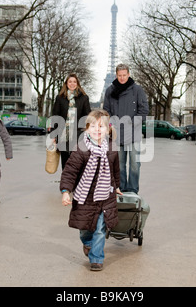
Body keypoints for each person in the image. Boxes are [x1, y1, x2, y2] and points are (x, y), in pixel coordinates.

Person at [60, 109, 122, 271]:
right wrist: (66, 191)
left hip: (105, 195)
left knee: (101, 229)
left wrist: (116, 187)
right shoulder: (81, 148)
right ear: (87, 128)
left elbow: (115, 169)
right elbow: (70, 170)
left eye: (101, 126)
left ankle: (96, 259)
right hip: (85, 196)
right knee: (85, 229)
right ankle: (88, 243)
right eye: (93, 126)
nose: (97, 129)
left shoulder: (112, 147)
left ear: (108, 129)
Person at [103, 63, 149, 194]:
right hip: (117, 134)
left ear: (129, 74)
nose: (122, 78)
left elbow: (144, 109)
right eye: (119, 75)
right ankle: (121, 189)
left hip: (134, 133)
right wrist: (112, 124)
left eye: (124, 75)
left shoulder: (137, 90)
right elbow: (106, 111)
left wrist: (132, 123)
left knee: (135, 164)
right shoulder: (110, 91)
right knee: (120, 165)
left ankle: (133, 190)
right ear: (116, 75)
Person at [49, 73, 91, 169]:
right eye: (70, 81)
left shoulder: (84, 98)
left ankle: (77, 184)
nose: (72, 84)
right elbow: (55, 117)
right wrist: (53, 135)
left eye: (74, 82)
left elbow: (87, 117)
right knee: (65, 165)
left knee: (78, 165)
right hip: (63, 137)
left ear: (77, 83)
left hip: (78, 137)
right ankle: (66, 183)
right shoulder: (60, 98)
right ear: (66, 83)